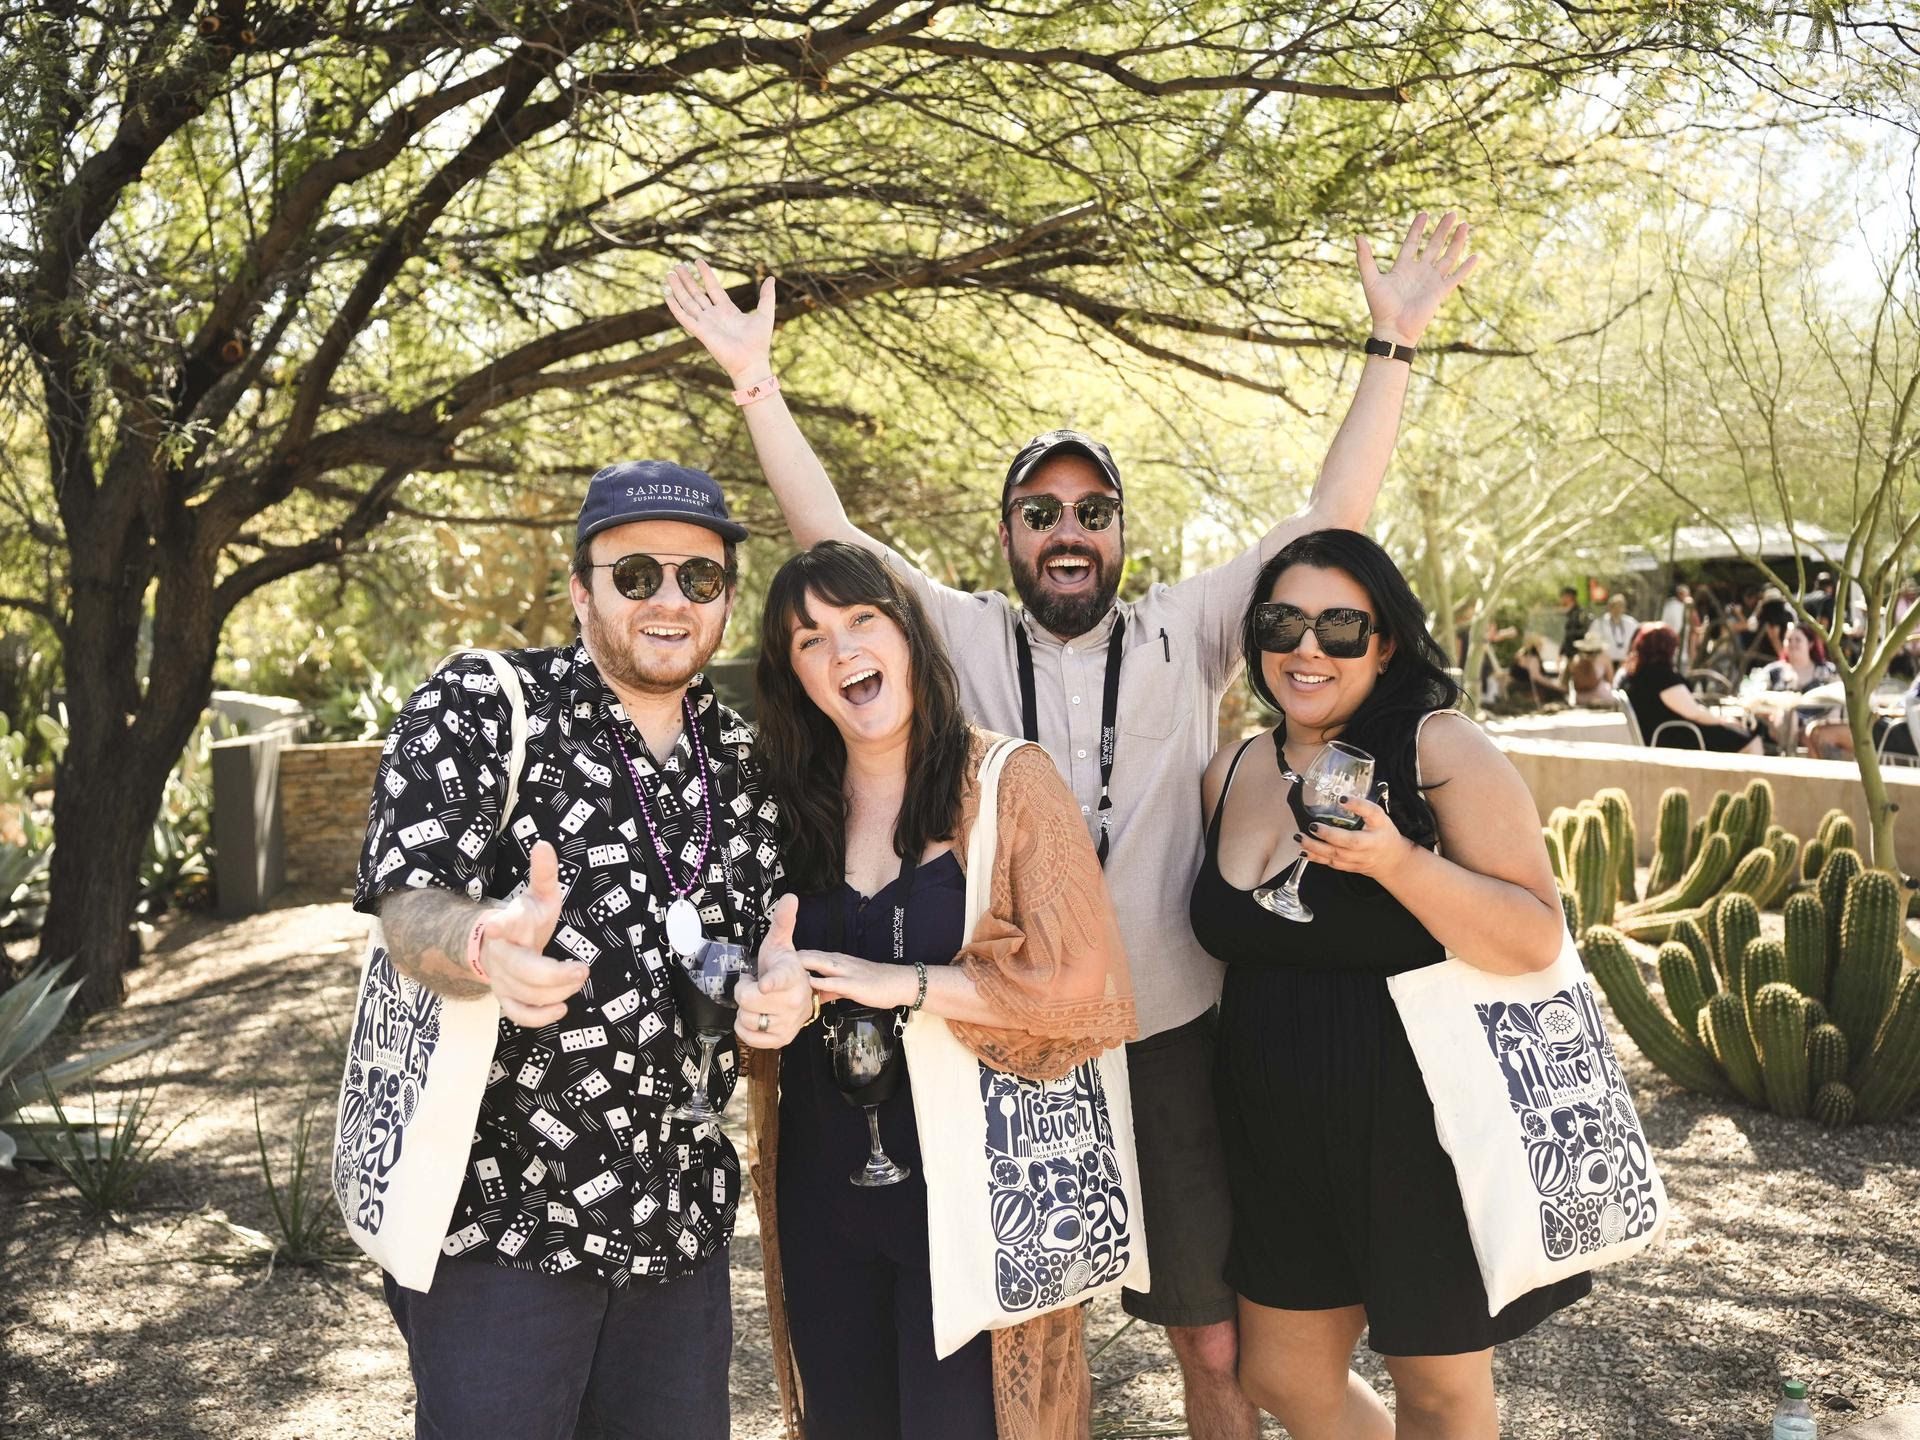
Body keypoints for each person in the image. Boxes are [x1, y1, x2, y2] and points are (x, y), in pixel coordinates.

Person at [668, 211, 1482, 1440]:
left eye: (1093, 510)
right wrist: (754, 382)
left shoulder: (1185, 632)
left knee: (1214, 1341)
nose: (1068, 530)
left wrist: (1394, 342)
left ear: (1119, 534)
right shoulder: (957, 638)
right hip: (1003, 1030)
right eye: (1041, 510)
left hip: (1166, 1034)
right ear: (1007, 535)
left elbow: (1333, 518)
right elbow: (833, 552)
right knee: (1007, 1326)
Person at [352, 462, 812, 1440]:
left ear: (727, 597)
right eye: (635, 575)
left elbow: (740, 952)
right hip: (499, 1237)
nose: (670, 600)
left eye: (699, 577)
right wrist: (481, 944)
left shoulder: (746, 764)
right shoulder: (484, 705)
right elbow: (408, 904)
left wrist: (772, 989)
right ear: (580, 590)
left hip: (678, 1236)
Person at [1193, 528, 1588, 1440]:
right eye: (1282, 623)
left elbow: (1536, 935)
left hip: (1418, 1130)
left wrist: (1399, 864)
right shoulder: (1231, 770)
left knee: (1441, 1395)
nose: (1307, 647)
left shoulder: (1436, 748)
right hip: (1272, 1135)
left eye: (1340, 626)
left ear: (1385, 645)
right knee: (1282, 1375)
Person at [741, 540, 1135, 1440]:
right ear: (792, 674)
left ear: (909, 634)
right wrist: (762, 996)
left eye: (861, 620)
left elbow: (1083, 988)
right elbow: (733, 958)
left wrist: (905, 983)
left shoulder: (1008, 782)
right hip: (820, 1186)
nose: (841, 651)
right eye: (809, 639)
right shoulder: (782, 806)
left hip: (975, 1190)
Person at [1622, 623, 1761, 753]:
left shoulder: (1632, 677)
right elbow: (1694, 713)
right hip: (1679, 737)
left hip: (1663, 734)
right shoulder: (1661, 677)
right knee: (1751, 739)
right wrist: (1722, 720)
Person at [1566, 633, 1615, 708]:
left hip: (1580, 698)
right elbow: (1610, 681)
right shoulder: (1605, 658)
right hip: (1602, 697)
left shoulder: (1575, 659)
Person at [1596, 593, 1638, 665]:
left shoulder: (1631, 623)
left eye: (1621, 606)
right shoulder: (1599, 623)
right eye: (1615, 606)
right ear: (1609, 607)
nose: (1618, 609)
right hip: (1607, 663)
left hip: (1626, 662)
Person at [1557, 586, 1592, 653]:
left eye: (1563, 596)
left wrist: (1571, 633)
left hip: (1579, 652)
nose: (1561, 599)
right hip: (1569, 652)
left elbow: (1587, 632)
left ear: (1569, 597)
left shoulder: (1581, 614)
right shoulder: (1569, 614)